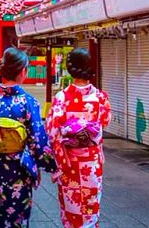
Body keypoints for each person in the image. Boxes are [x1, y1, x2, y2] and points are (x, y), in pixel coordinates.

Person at [0, 47, 57, 227]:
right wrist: (49, 165)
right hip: (18, 167)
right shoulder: (28, 101)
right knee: (19, 217)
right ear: (23, 71)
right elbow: (37, 139)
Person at [45, 48, 111, 228]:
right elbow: (105, 121)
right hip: (91, 162)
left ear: (69, 68)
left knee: (71, 208)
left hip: (69, 162)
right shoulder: (100, 97)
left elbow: (51, 131)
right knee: (90, 207)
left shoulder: (61, 97)